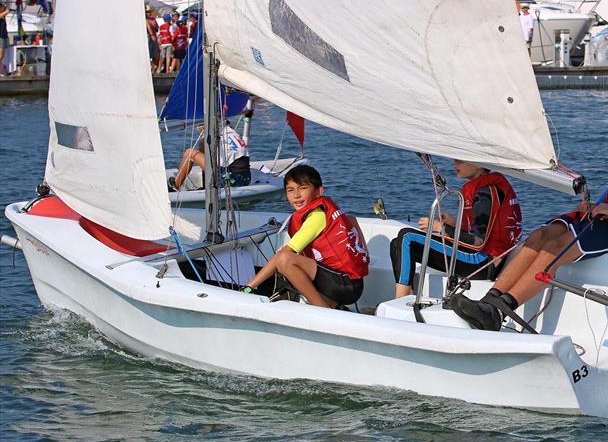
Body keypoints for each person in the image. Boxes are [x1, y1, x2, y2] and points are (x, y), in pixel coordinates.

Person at [451, 101, 608, 331]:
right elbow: (607, 196)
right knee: (540, 235)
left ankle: (499, 312)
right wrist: (591, 205)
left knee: (554, 248)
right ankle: (488, 300)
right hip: (601, 218)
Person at [242, 165, 370, 308]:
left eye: (302, 188)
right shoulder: (325, 213)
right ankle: (331, 305)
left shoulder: (317, 216)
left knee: (285, 260)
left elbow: (284, 255)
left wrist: (249, 287)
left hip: (344, 285)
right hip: (350, 283)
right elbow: (352, 220)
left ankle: (323, 310)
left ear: (319, 191)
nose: (296, 195)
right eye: (290, 190)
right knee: (289, 264)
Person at [390, 160, 522, 299]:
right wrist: (453, 222)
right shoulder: (486, 188)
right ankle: (407, 298)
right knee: (396, 244)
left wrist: (440, 228)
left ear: (478, 164)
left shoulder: (485, 193)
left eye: (460, 160)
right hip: (480, 258)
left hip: (481, 262)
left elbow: (478, 242)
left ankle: (399, 301)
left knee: (407, 237)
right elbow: (485, 227)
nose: (454, 164)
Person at [170, 122, 251, 191]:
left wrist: (206, 188)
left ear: (203, 128)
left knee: (190, 153)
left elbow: (209, 166)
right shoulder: (232, 133)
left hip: (231, 180)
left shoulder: (210, 138)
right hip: (246, 178)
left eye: (199, 129)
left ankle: (174, 187)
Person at [0, 2, 9, 75]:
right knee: (1, 55)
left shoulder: (2, 16)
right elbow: (6, 11)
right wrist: (6, 9)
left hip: (4, 35)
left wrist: (4, 7)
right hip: (1, 37)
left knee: (2, 55)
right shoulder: (1, 15)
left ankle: (1, 69)